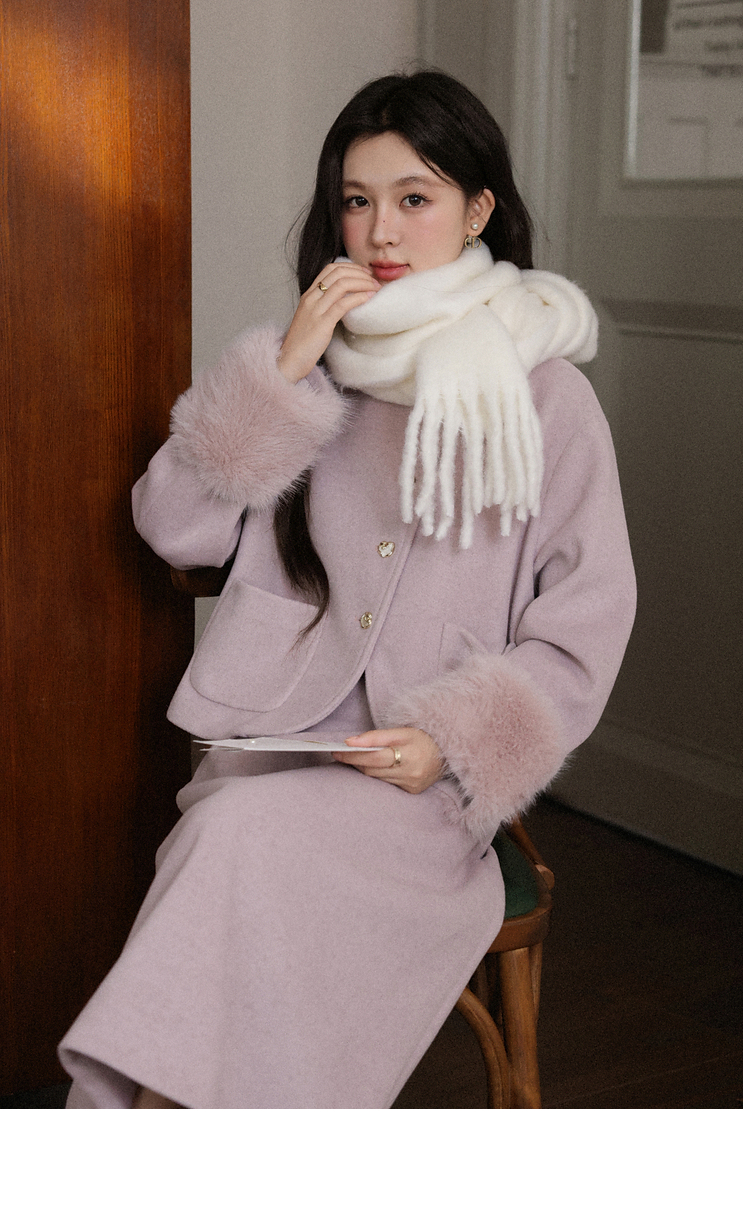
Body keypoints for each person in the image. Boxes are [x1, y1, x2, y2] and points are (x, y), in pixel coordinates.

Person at [59, 70, 636, 1108]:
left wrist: (450, 741)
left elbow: (585, 625)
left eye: (414, 197)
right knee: (236, 838)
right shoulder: (314, 371)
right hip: (273, 749)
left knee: (231, 849)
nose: (381, 230)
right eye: (357, 201)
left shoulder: (548, 396)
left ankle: (128, 1125)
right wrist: (280, 373)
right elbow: (172, 527)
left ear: (478, 209)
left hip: (423, 787)